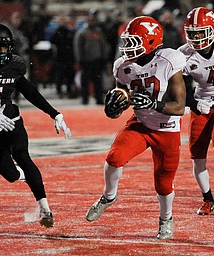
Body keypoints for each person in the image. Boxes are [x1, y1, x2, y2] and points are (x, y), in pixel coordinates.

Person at [0, 23, 72, 228]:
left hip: (11, 121)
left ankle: (45, 209)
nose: (2, 52)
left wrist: (55, 113)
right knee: (11, 175)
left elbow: (31, 93)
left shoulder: (14, 66)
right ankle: (23, 177)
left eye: (6, 48)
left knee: (23, 156)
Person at [85, 16, 186, 239]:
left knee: (163, 182)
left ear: (150, 41)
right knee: (114, 158)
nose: (127, 47)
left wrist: (154, 104)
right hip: (140, 124)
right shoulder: (122, 66)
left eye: (134, 42)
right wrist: (115, 106)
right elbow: (121, 96)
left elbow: (179, 107)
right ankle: (109, 196)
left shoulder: (169, 60)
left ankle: (166, 218)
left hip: (167, 127)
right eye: (127, 41)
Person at [178, 7, 214, 215]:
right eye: (193, 33)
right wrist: (194, 104)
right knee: (197, 155)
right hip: (201, 105)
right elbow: (180, 88)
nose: (198, 37)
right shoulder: (184, 54)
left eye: (202, 32)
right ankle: (208, 198)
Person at [73, 9, 109, 105]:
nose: (92, 22)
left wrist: (104, 57)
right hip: (86, 60)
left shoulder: (98, 32)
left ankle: (98, 98)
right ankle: (85, 99)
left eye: (93, 20)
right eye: (90, 20)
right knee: (85, 82)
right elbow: (78, 46)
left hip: (97, 60)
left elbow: (103, 45)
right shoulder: (82, 32)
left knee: (98, 81)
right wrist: (79, 59)